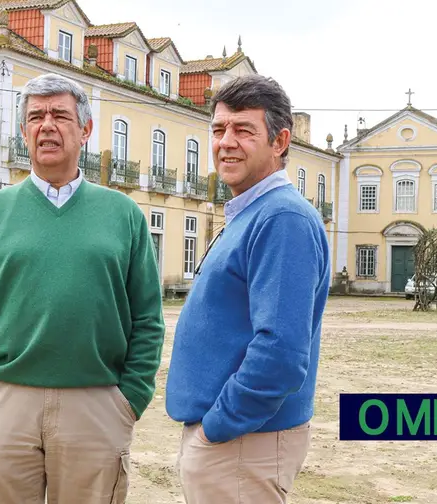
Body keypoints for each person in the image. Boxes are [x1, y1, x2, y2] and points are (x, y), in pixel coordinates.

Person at [0, 72, 166, 504]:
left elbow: (147, 318)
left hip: (97, 404)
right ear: (24, 131)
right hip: (1, 403)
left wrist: (130, 398)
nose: (47, 125)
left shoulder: (124, 215)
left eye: (61, 115)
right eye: (36, 116)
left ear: (85, 130)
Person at [165, 74, 331, 503]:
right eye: (219, 130)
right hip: (234, 444)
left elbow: (280, 352)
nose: (226, 142)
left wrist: (219, 425)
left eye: (244, 130)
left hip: (242, 444)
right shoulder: (253, 212)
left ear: (279, 142)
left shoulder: (281, 219)